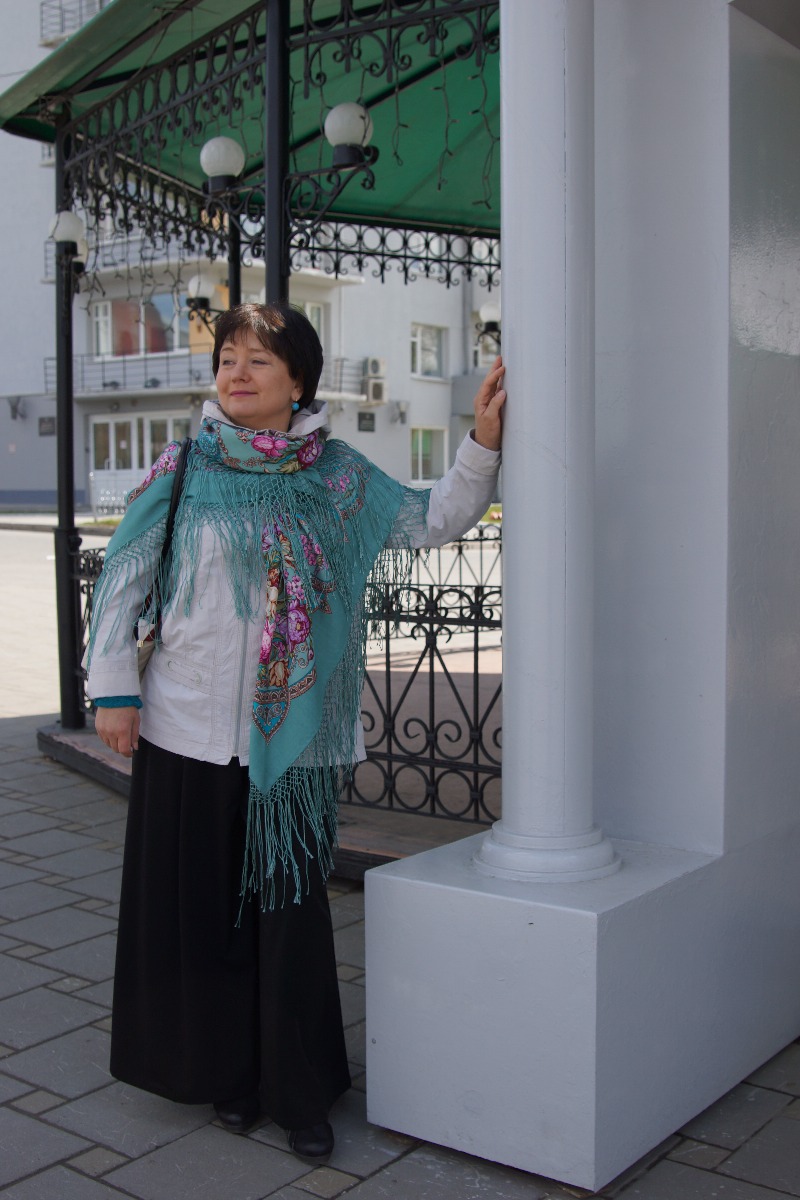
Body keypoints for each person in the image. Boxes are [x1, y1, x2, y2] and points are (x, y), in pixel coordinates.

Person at [87, 301, 505, 1163]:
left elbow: (430, 519)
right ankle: (227, 1076)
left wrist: (481, 445)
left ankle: (298, 1089)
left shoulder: (337, 477)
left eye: (259, 361)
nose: (236, 374)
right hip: (186, 729)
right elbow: (124, 576)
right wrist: (114, 692)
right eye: (227, 359)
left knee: (290, 917)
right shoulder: (184, 467)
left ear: (300, 381)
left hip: (296, 741)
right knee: (200, 912)